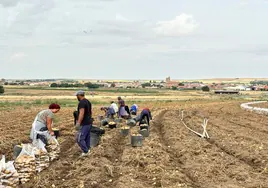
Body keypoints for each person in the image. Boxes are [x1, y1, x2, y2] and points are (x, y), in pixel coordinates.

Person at [75, 90, 92, 157]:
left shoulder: (81, 103)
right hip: (89, 122)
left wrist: (78, 123)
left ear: (79, 95)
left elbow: (81, 113)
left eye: (77, 96)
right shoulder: (88, 101)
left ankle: (86, 151)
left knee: (79, 138)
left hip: (84, 123)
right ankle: (88, 150)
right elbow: (90, 112)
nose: (76, 97)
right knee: (87, 137)